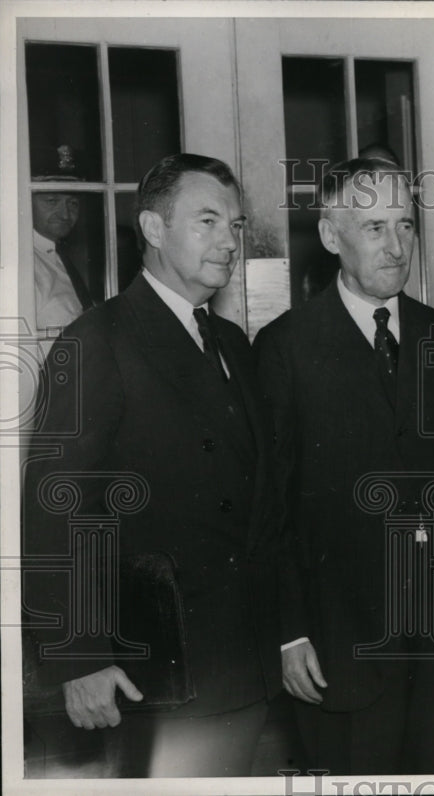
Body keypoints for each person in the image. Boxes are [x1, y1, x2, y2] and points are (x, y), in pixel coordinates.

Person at [254, 157, 434, 775]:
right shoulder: (284, 350)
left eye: (405, 225)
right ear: (330, 237)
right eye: (374, 228)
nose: (396, 247)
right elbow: (273, 509)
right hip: (340, 647)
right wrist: (288, 633)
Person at [22, 153, 283, 777]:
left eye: (236, 224)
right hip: (157, 669)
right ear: (155, 229)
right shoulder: (97, 340)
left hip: (244, 661)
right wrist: (78, 659)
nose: (228, 240)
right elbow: (54, 510)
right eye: (208, 221)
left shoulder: (234, 347)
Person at [32, 144, 95, 335]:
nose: (65, 214)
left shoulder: (59, 258)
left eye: (73, 203)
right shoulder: (24, 265)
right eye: (52, 201)